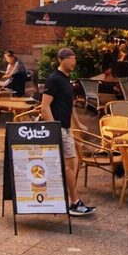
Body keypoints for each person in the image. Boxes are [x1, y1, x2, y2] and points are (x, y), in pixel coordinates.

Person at [41, 47, 94, 216]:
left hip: (66, 127)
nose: (74, 62)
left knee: (72, 164)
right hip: (58, 128)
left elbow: (68, 104)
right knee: (69, 165)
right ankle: (74, 202)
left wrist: (77, 123)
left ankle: (68, 199)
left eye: (75, 58)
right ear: (62, 59)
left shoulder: (66, 79)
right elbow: (44, 107)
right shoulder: (54, 79)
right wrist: (53, 128)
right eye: (72, 58)